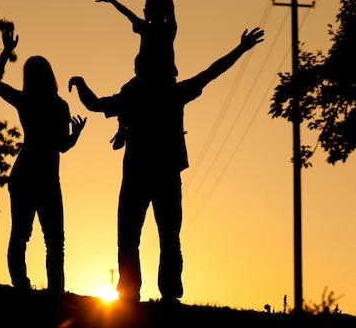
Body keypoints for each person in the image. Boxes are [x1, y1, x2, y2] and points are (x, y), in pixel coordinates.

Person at [68, 27, 265, 304]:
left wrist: (80, 84)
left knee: (132, 237)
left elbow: (95, 104)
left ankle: (131, 293)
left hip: (139, 174)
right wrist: (240, 49)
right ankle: (168, 293)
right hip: (165, 174)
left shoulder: (135, 93)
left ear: (140, 68)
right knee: (167, 237)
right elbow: (211, 72)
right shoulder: (170, 92)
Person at [0, 28, 86, 293]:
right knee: (54, 241)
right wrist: (76, 135)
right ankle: (54, 292)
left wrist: (7, 52)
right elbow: (62, 146)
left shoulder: (26, 101)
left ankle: (22, 286)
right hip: (45, 179)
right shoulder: (59, 106)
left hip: (25, 174)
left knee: (21, 234)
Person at [96, 0, 177, 149]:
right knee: (128, 91)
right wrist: (113, 1)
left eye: (147, 8)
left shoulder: (167, 29)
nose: (144, 10)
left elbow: (171, 9)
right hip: (144, 78)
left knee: (128, 91)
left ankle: (122, 130)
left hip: (160, 79)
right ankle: (122, 129)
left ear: (157, 11)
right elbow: (129, 14)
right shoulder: (146, 28)